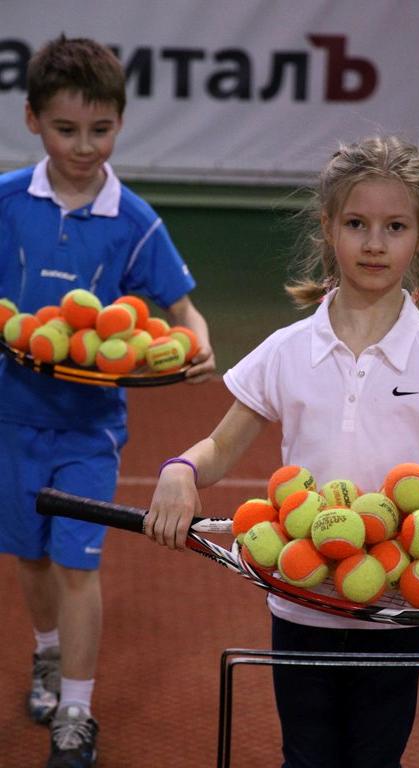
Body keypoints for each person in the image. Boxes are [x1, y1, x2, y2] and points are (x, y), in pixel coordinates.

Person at [145, 135, 419, 768]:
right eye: (356, 224)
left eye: (394, 226)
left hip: (398, 607)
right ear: (327, 228)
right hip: (302, 598)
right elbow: (220, 447)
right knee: (307, 759)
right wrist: (180, 470)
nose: (374, 243)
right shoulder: (288, 349)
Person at [0, 35, 215, 768]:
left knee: (77, 568)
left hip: (90, 430)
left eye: (100, 129)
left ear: (119, 124)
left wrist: (198, 342)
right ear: (32, 120)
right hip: (11, 420)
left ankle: (77, 712)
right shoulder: (4, 202)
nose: (84, 146)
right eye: (66, 129)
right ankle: (48, 655)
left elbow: (184, 312)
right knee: (29, 561)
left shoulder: (136, 220)